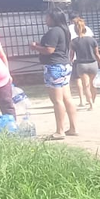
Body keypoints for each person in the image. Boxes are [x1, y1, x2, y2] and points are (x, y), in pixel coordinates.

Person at [30, 9, 78, 139]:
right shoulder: (64, 31)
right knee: (67, 98)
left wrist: (35, 47)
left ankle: (60, 131)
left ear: (53, 18)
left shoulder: (54, 31)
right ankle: (73, 127)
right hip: (64, 65)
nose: (46, 20)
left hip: (54, 66)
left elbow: (49, 50)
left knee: (57, 100)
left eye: (47, 17)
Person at [71, 17, 100, 111]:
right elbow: (97, 54)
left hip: (81, 64)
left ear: (75, 30)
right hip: (93, 63)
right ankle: (93, 101)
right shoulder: (92, 40)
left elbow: (72, 55)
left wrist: (70, 63)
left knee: (85, 85)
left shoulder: (74, 41)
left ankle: (90, 104)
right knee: (93, 85)